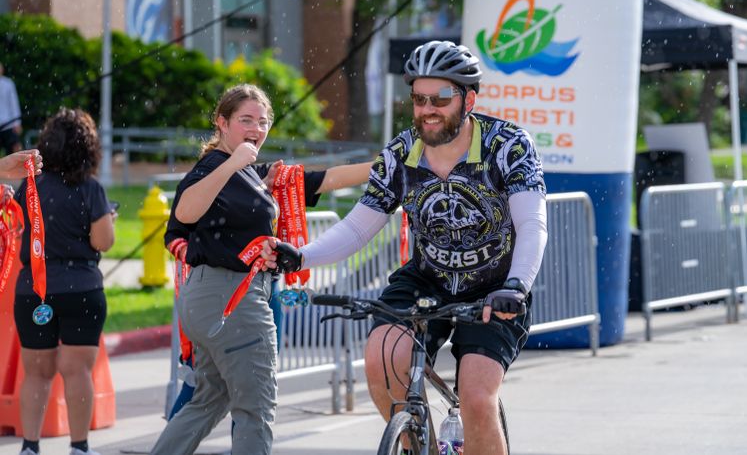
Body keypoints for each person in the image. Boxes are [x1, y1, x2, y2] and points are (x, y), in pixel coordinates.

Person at [263, 40, 548, 455]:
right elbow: (359, 227)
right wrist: (302, 255)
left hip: (496, 287)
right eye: (419, 98)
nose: (428, 108)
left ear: (468, 99)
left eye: (441, 98)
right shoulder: (400, 155)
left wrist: (518, 285)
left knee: (476, 398)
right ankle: (423, 447)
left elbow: (532, 223)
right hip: (427, 279)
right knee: (380, 359)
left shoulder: (507, 146)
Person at [150, 84, 371, 455]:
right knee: (256, 410)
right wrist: (234, 163)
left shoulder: (253, 174)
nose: (256, 128)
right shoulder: (218, 167)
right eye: (245, 120)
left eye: (263, 121)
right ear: (222, 123)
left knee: (207, 401)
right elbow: (184, 213)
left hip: (216, 301)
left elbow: (324, 179)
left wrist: (389, 166)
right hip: (232, 299)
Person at [13, 109, 115, 455]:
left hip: (34, 290)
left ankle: (30, 446)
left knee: (36, 374)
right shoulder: (91, 189)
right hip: (81, 289)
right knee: (77, 372)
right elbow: (103, 241)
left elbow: (17, 230)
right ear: (88, 148)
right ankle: (79, 446)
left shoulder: (29, 187)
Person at [0, 62, 23, 156]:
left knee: (15, 150)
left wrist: (17, 123)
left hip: (8, 124)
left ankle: (19, 170)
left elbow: (14, 103)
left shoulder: (8, 83)